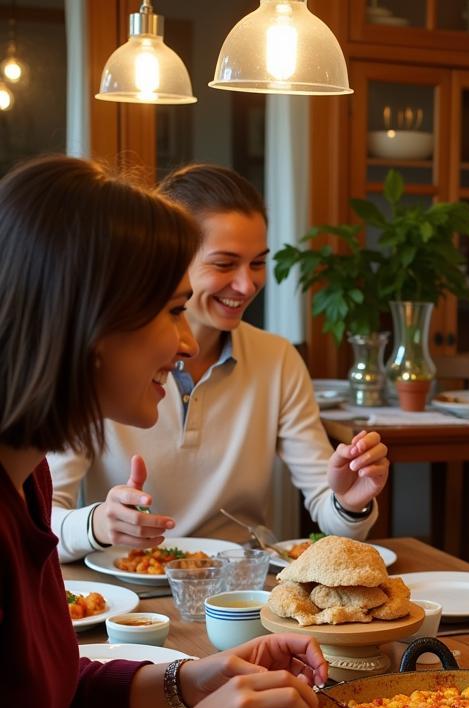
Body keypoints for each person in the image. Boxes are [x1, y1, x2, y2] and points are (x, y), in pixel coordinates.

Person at [0, 155, 327, 708]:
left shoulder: (22, 485)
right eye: (172, 309)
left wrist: (190, 683)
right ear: (88, 323)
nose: (186, 343)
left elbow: (36, 689)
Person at [48, 163, 389, 560]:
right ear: (171, 260)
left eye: (258, 263)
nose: (247, 285)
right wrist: (99, 523)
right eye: (224, 264)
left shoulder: (277, 360)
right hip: (131, 584)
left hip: (241, 587)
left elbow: (328, 506)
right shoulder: (108, 364)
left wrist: (349, 502)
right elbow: (41, 519)